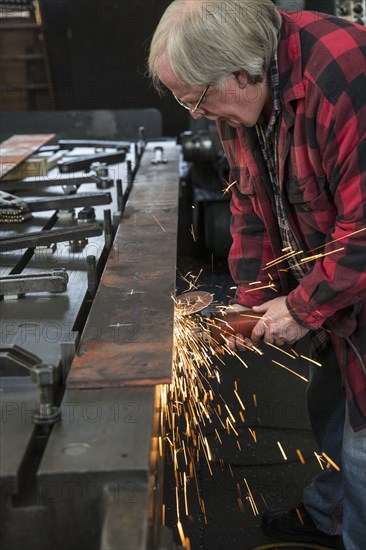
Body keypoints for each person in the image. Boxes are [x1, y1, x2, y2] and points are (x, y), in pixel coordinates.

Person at [148, 1, 366, 548]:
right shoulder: (242, 100)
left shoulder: (347, 77)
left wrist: (299, 308)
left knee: (364, 445)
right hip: (343, 283)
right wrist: (252, 299)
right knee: (331, 403)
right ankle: (333, 514)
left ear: (240, 72)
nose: (194, 114)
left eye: (194, 98)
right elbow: (250, 200)